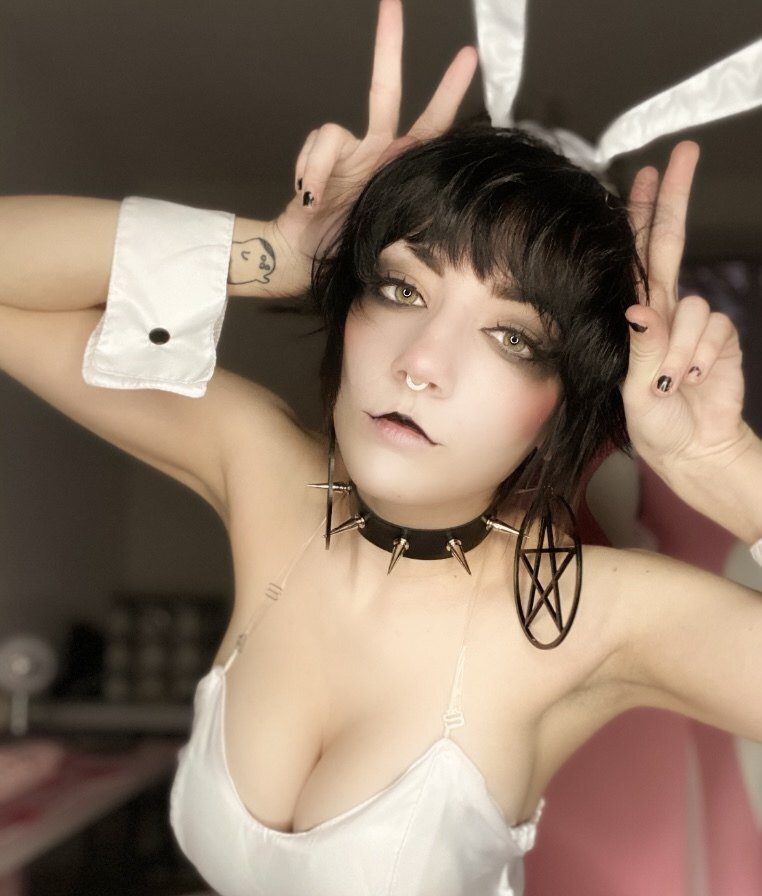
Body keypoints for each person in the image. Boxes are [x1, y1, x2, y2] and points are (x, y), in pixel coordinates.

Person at [0, 1, 760, 894]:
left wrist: (724, 469)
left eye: (512, 337)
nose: (420, 364)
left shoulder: (589, 618)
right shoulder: (265, 474)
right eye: (401, 289)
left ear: (564, 404)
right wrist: (275, 255)